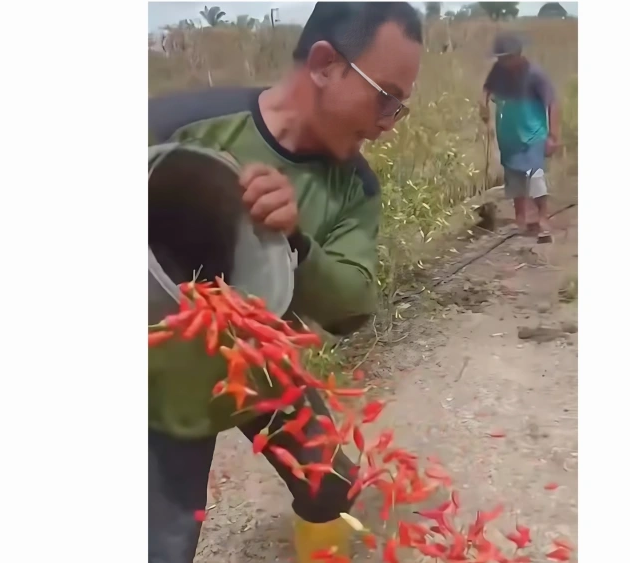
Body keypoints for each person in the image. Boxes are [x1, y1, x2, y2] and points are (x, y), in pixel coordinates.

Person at [146, 3, 423, 563]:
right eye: (385, 97)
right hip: (165, 385)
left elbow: (352, 305)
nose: (388, 124)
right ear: (324, 64)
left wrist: (296, 240)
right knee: (162, 545)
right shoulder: (179, 123)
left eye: (401, 107)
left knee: (329, 483)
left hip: (261, 362)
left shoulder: (354, 189)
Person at [480, 33, 561, 243]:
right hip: (508, 134)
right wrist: (483, 104)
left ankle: (542, 218)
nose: (501, 62)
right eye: (499, 58)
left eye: (505, 57)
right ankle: (521, 220)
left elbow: (552, 103)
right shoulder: (499, 71)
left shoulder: (535, 74)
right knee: (514, 178)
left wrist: (553, 135)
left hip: (533, 133)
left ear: (517, 55)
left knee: (535, 176)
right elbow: (487, 88)